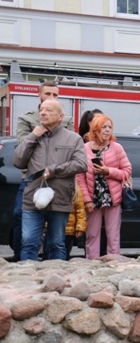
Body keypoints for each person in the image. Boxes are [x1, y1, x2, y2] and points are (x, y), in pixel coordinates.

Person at [13, 99, 87, 261]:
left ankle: (56, 280)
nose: (43, 113)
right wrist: (32, 136)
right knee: (28, 242)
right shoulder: (32, 136)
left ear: (60, 116)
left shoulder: (73, 139)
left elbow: (81, 164)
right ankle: (27, 280)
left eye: (48, 110)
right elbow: (18, 162)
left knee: (56, 243)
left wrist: (53, 170)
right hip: (32, 198)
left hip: (60, 198)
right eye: (42, 110)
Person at [76, 114, 132, 259]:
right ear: (95, 129)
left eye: (110, 127)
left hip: (113, 198)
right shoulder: (85, 148)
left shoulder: (117, 148)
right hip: (93, 198)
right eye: (104, 127)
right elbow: (80, 177)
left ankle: (114, 262)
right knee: (92, 234)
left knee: (113, 234)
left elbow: (127, 171)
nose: (107, 130)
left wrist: (108, 171)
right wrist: (87, 200)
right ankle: (92, 263)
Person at [65, 184, 86, 260]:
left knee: (65, 253)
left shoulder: (77, 190)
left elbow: (80, 211)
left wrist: (80, 228)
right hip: (57, 228)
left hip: (70, 230)